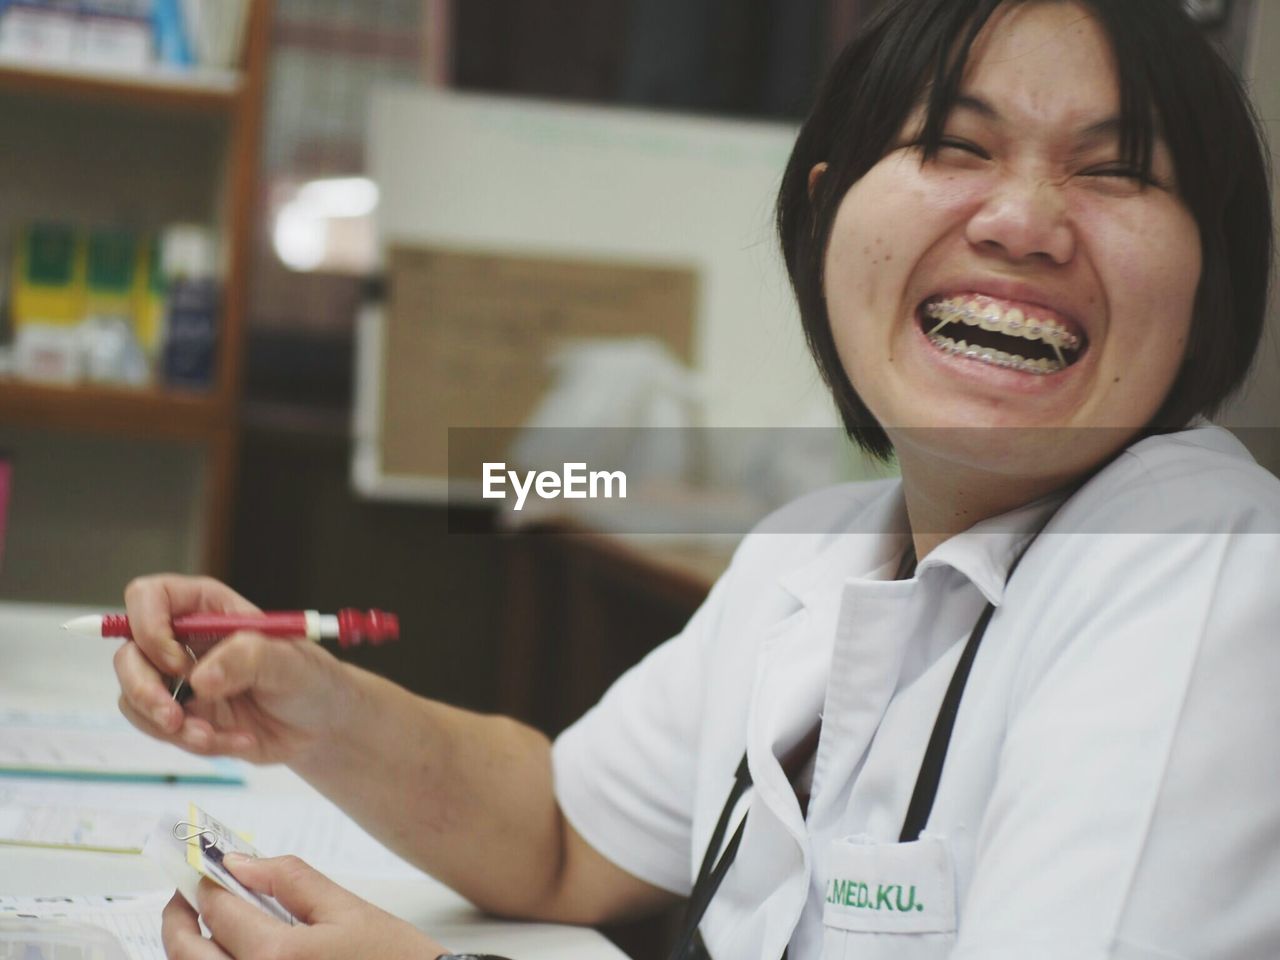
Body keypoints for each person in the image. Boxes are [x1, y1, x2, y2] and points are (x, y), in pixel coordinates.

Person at [114, 0, 1280, 957]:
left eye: (1115, 169)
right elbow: (565, 836)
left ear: (1209, 279)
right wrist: (315, 707)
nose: (1024, 221)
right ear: (824, 212)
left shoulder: (1203, 565)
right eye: (955, 146)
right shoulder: (815, 545)